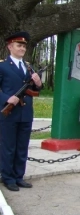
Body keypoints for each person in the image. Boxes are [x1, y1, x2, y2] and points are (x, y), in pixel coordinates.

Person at [0, 32, 43, 191]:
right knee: (8, 147)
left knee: (22, 147)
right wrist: (6, 98)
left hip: (25, 113)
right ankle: (8, 178)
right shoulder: (2, 66)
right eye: (19, 45)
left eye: (24, 46)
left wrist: (38, 83)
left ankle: (19, 176)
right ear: (10, 47)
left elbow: (36, 89)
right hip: (9, 112)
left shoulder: (29, 66)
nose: (22, 48)